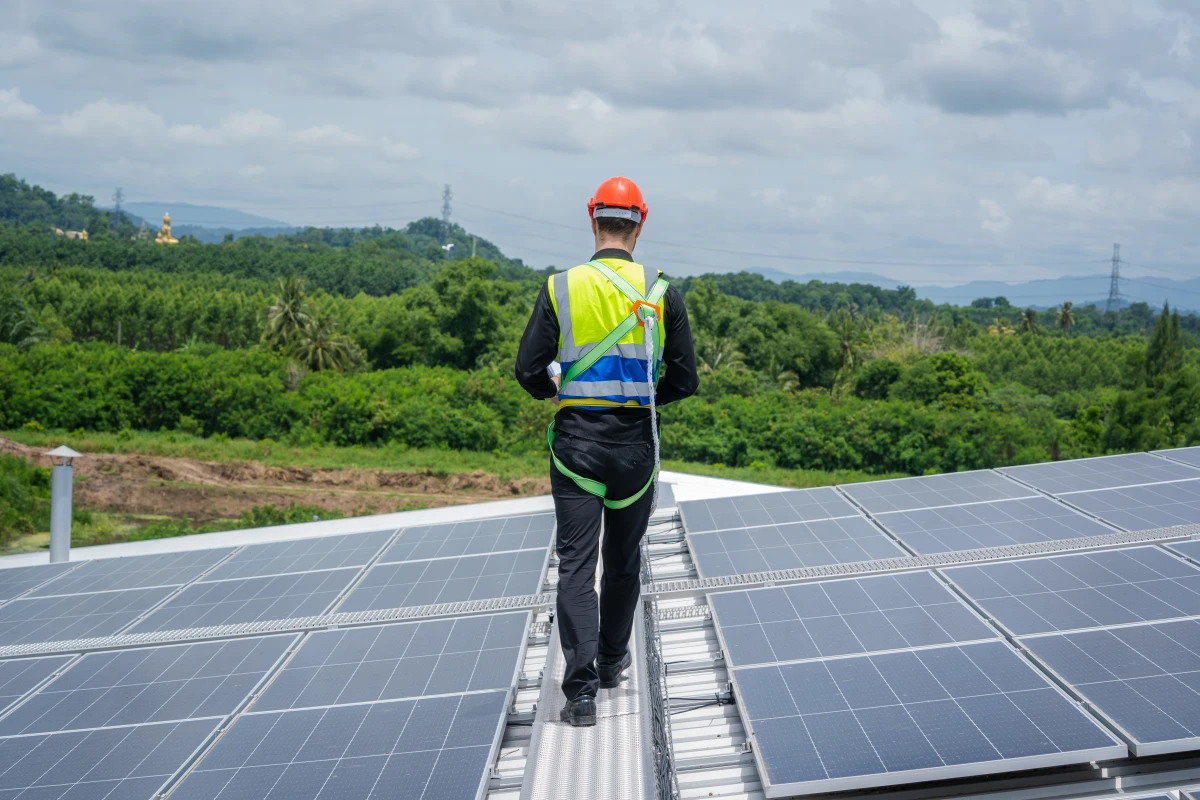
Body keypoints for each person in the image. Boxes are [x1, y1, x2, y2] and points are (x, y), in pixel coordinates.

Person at [516, 176, 699, 727]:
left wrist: (560, 390)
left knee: (576, 565)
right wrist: (645, 401)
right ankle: (615, 661)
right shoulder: (663, 291)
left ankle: (581, 692)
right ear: (641, 222)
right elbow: (685, 379)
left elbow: (528, 371)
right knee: (622, 563)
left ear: (591, 218)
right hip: (635, 452)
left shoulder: (560, 288)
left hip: (577, 449)